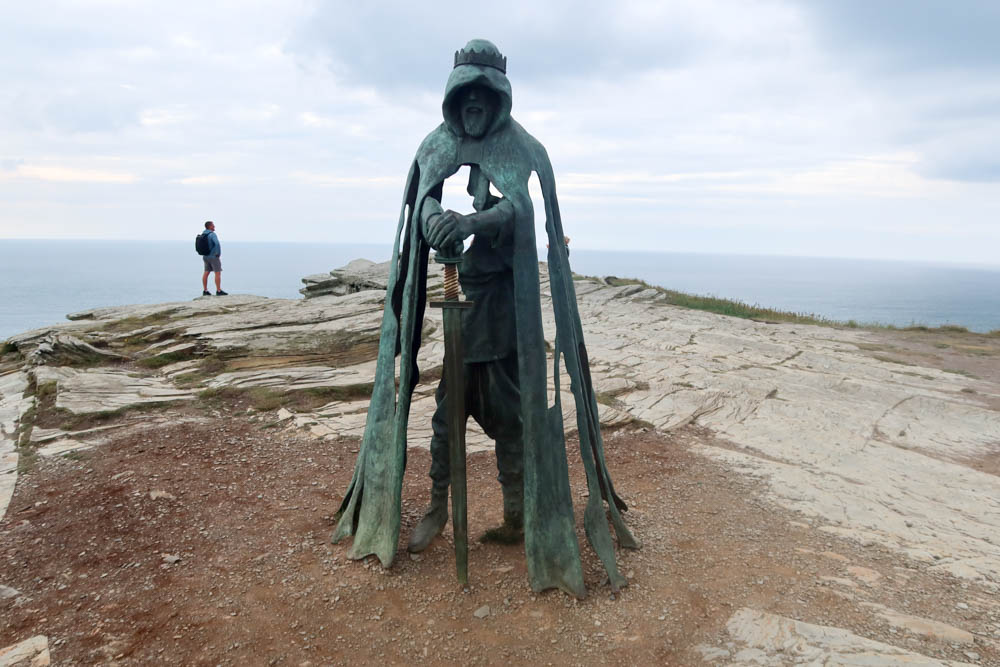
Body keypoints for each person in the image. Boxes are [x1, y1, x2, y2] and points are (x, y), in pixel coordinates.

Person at [331, 39, 638, 598]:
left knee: (512, 423)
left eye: (483, 93)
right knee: (447, 421)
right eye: (464, 94)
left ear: (497, 98)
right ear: (454, 97)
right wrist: (434, 219)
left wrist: (474, 224)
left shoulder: (524, 150)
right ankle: (437, 509)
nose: (473, 104)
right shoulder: (434, 146)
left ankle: (519, 514)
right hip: (454, 297)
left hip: (501, 310)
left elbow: (521, 207)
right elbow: (418, 200)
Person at [200, 221, 227, 296]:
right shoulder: (212, 234)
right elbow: (217, 243)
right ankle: (218, 290)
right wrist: (218, 253)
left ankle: (205, 290)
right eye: (213, 225)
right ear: (210, 226)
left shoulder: (203, 234)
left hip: (205, 256)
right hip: (213, 256)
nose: (214, 226)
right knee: (217, 273)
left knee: (206, 272)